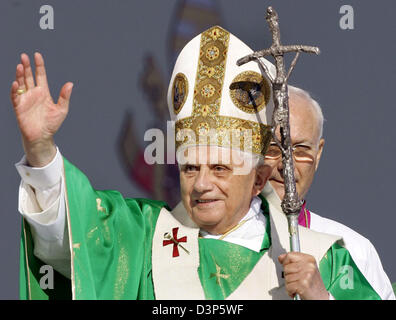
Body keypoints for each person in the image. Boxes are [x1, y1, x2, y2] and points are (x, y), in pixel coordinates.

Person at [12, 26, 381, 300]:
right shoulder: (144, 237)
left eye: (220, 168)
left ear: (258, 179)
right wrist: (41, 150)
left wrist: (323, 298)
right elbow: (69, 241)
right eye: (190, 168)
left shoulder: (325, 260)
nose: (202, 183)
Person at [264, 86, 395, 299]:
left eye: (301, 150)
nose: (285, 166)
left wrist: (321, 297)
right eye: (273, 148)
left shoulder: (353, 250)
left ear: (318, 153)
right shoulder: (209, 240)